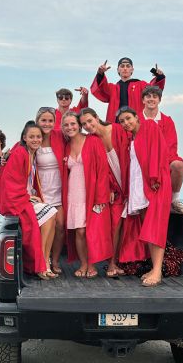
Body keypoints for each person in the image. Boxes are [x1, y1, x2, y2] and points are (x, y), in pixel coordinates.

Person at [117, 106, 172, 287]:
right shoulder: (133, 137)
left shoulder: (149, 126)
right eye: (122, 121)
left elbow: (159, 151)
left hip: (154, 184)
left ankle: (157, 271)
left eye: (128, 118)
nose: (126, 123)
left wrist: (155, 177)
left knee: (155, 227)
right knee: (147, 227)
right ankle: (153, 267)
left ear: (136, 116)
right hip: (140, 188)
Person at [0, 121, 58, 280]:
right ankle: (42, 264)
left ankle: (45, 261)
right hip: (17, 199)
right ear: (24, 138)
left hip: (24, 196)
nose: (36, 140)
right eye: (31, 137)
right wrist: (27, 197)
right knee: (51, 214)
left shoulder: (32, 153)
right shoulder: (20, 153)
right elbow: (10, 181)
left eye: (38, 137)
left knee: (51, 217)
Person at [61, 111, 112, 278]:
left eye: (73, 124)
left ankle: (92, 263)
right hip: (73, 194)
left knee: (89, 230)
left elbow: (103, 170)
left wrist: (101, 196)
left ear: (79, 124)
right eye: (66, 125)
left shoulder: (93, 141)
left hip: (90, 193)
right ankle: (83, 263)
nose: (70, 127)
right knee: (79, 231)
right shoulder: (65, 146)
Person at [78, 107, 129, 277]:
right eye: (84, 124)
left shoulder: (117, 129)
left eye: (89, 121)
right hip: (115, 189)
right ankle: (111, 264)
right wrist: (109, 188)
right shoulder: (92, 140)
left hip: (129, 183)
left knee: (126, 226)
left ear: (97, 117)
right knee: (114, 225)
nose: (87, 125)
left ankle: (120, 261)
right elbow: (100, 169)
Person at [140, 86, 183, 214]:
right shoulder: (136, 120)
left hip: (163, 160)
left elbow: (171, 146)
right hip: (140, 161)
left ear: (159, 100)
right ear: (143, 100)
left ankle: (173, 201)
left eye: (155, 96)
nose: (151, 99)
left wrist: (158, 164)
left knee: (178, 165)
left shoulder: (167, 121)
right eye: (148, 96)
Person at [35, 107, 66, 274]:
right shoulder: (33, 137)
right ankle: (43, 260)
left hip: (59, 189)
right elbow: (17, 153)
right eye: (43, 120)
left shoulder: (60, 136)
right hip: (42, 191)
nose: (47, 124)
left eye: (50, 121)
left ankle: (54, 260)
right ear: (37, 121)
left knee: (61, 226)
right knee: (48, 225)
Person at [90, 57, 165, 123]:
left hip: (136, 124)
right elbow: (100, 90)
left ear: (132, 69)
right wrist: (100, 74)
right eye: (122, 66)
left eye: (128, 66)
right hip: (116, 125)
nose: (125, 68)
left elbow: (154, 91)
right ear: (118, 70)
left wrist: (160, 77)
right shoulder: (112, 88)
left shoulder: (141, 85)